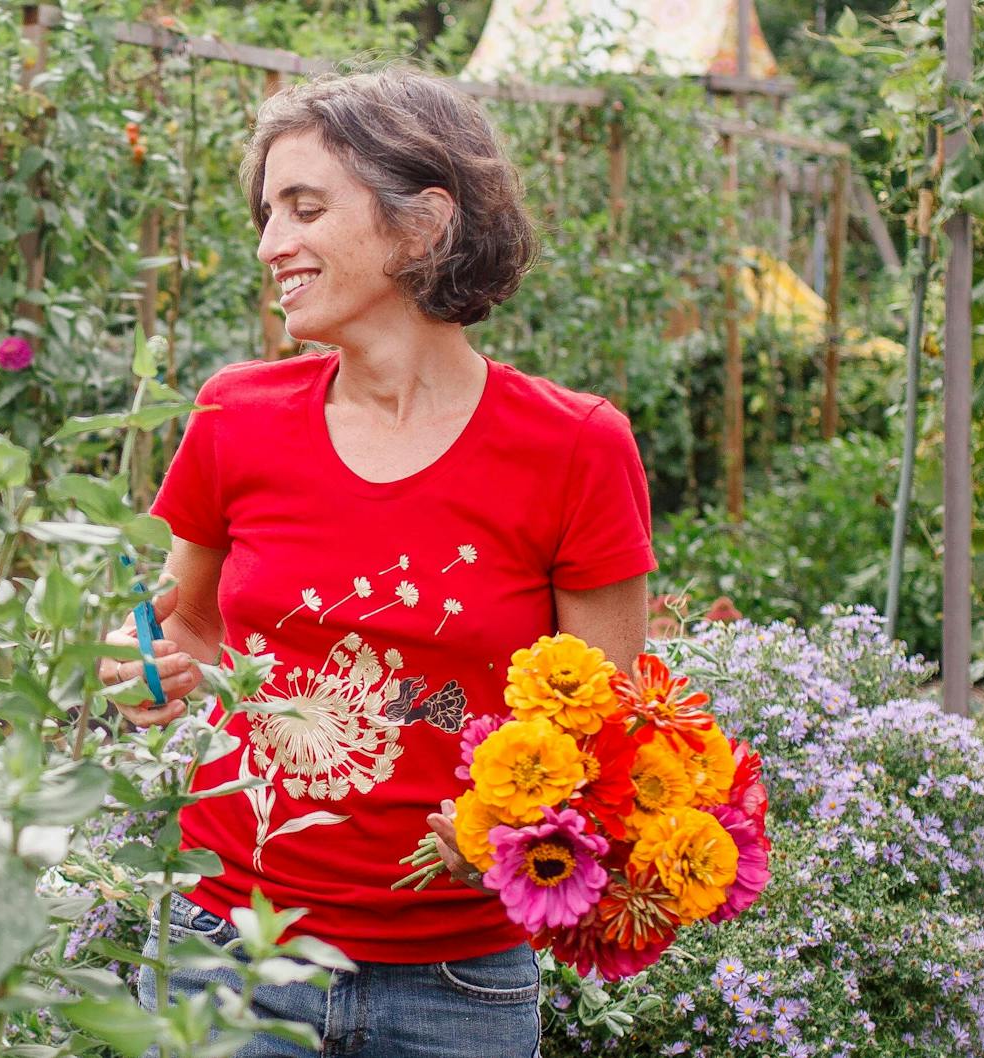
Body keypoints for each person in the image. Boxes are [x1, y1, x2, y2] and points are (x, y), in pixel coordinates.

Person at [97, 64, 655, 1057]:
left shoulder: (574, 448)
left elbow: (603, 723)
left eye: (304, 208)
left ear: (421, 224)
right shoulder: (234, 415)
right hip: (228, 953)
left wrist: (507, 833)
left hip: (456, 983)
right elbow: (178, 623)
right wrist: (148, 670)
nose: (271, 245)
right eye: (268, 214)